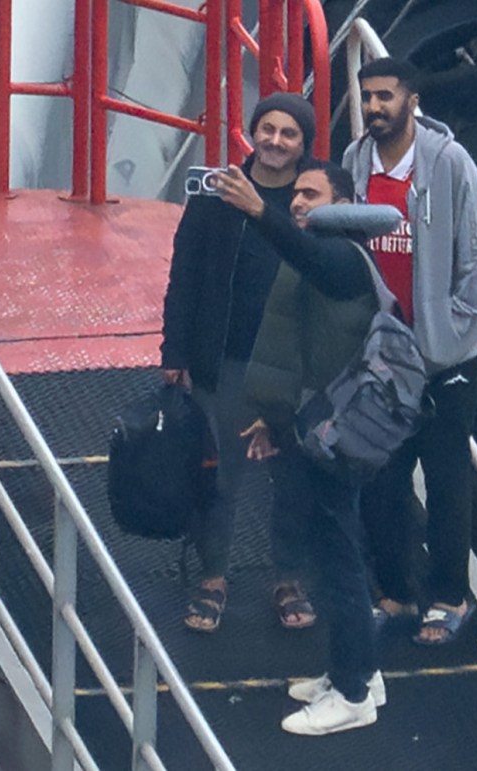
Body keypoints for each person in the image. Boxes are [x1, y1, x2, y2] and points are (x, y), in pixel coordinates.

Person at [211, 158, 391, 735]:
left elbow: (313, 261)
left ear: (342, 203)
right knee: (334, 551)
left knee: (338, 561)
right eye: (294, 194)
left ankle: (356, 693)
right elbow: (291, 349)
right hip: (312, 423)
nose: (297, 201)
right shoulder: (319, 251)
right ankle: (354, 669)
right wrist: (272, 418)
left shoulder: (340, 256)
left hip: (339, 433)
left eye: (311, 194)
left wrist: (259, 211)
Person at [342, 57, 477, 645]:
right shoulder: (356, 163)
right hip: (383, 357)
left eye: (386, 96)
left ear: (412, 98)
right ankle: (394, 593)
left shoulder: (450, 164)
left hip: (445, 359)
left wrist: (452, 330)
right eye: (368, 97)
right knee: (381, 479)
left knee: (446, 481)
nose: (376, 107)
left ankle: (449, 597)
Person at [161, 93, 318, 632]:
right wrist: (174, 352)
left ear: (304, 143)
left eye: (288, 133)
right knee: (220, 472)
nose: (275, 140)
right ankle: (212, 576)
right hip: (225, 357)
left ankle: (289, 576)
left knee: (291, 474)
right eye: (267, 129)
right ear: (253, 133)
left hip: (294, 364)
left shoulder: (317, 197)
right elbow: (184, 277)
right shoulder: (214, 194)